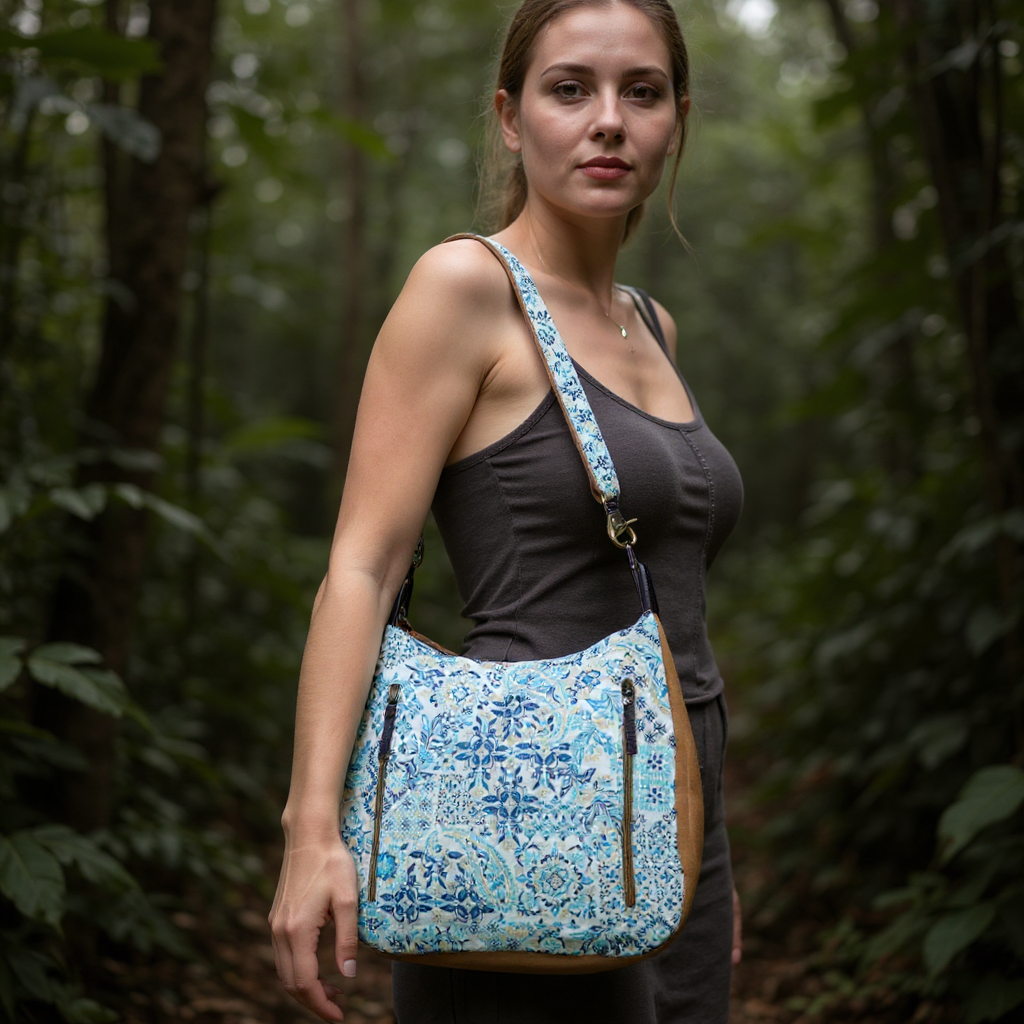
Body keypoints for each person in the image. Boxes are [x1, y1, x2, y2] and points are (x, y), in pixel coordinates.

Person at [269, 0, 744, 1020]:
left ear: (677, 119)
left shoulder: (651, 323)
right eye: (570, 88)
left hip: (674, 819)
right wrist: (312, 830)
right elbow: (363, 565)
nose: (608, 119)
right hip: (518, 807)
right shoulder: (463, 288)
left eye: (642, 91)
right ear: (510, 117)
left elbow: (675, 613)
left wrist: (705, 851)